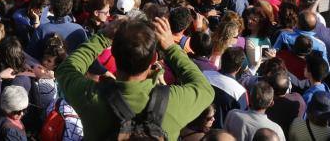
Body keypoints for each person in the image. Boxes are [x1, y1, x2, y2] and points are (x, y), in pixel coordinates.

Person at [56, 17, 214, 140]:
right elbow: (205, 89)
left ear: (114, 55)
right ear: (154, 59)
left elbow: (65, 70)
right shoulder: (173, 101)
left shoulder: (90, 96)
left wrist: (103, 37)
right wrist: (171, 47)